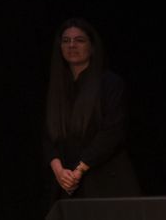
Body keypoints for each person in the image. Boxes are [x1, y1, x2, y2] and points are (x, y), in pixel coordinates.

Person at [43, 17, 139, 198]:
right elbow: (48, 136)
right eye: (66, 41)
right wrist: (58, 171)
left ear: (92, 47)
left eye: (79, 40)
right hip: (67, 181)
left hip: (105, 179)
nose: (72, 45)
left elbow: (112, 132)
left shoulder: (109, 83)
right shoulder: (57, 89)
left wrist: (80, 169)